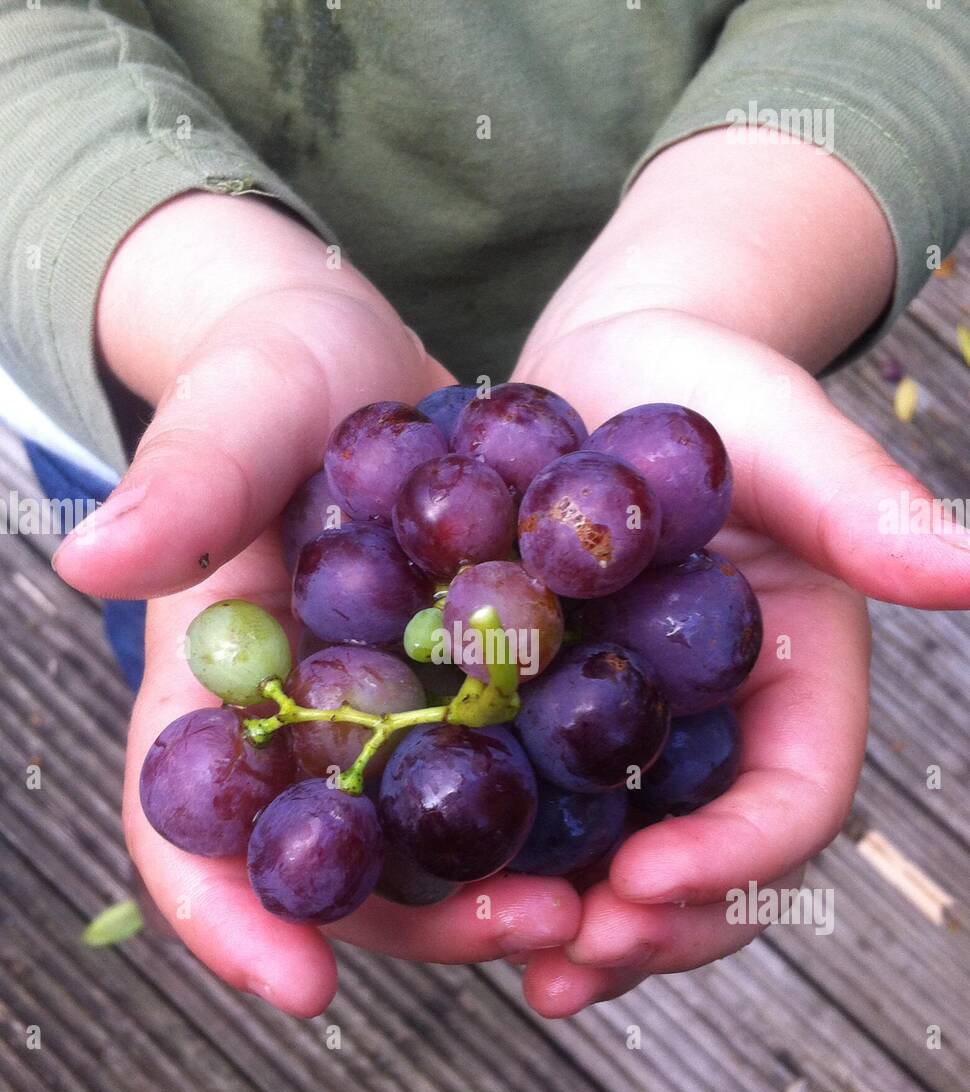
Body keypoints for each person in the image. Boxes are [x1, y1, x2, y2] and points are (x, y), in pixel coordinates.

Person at [3, 1, 969, 1019]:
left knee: (238, 604)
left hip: (695, 252)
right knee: (165, 584)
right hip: (155, 375)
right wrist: (213, 299)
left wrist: (713, 287)